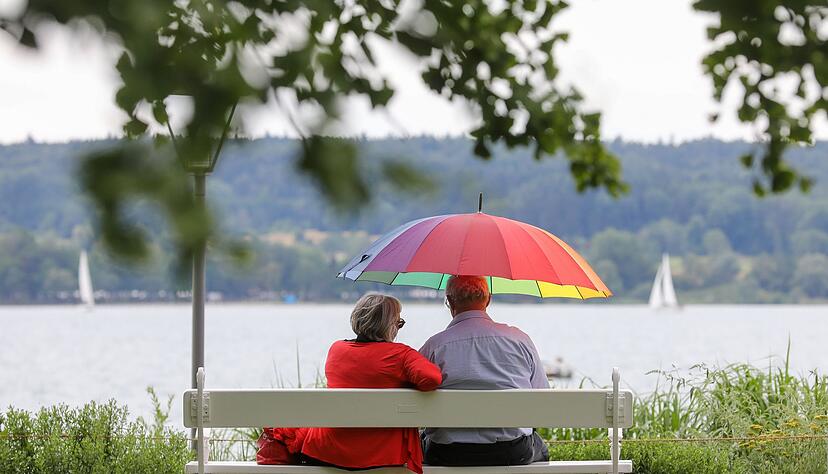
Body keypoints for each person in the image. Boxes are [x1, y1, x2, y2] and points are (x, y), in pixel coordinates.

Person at [296, 293, 442, 474]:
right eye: (399, 323)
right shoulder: (400, 355)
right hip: (381, 456)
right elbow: (432, 378)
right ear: (389, 326)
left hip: (328, 452)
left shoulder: (336, 350)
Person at [419, 275, 550, 466]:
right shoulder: (520, 340)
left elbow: (413, 399)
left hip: (448, 452)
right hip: (512, 451)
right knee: (540, 447)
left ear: (450, 301)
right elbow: (542, 395)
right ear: (488, 299)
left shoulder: (434, 346)